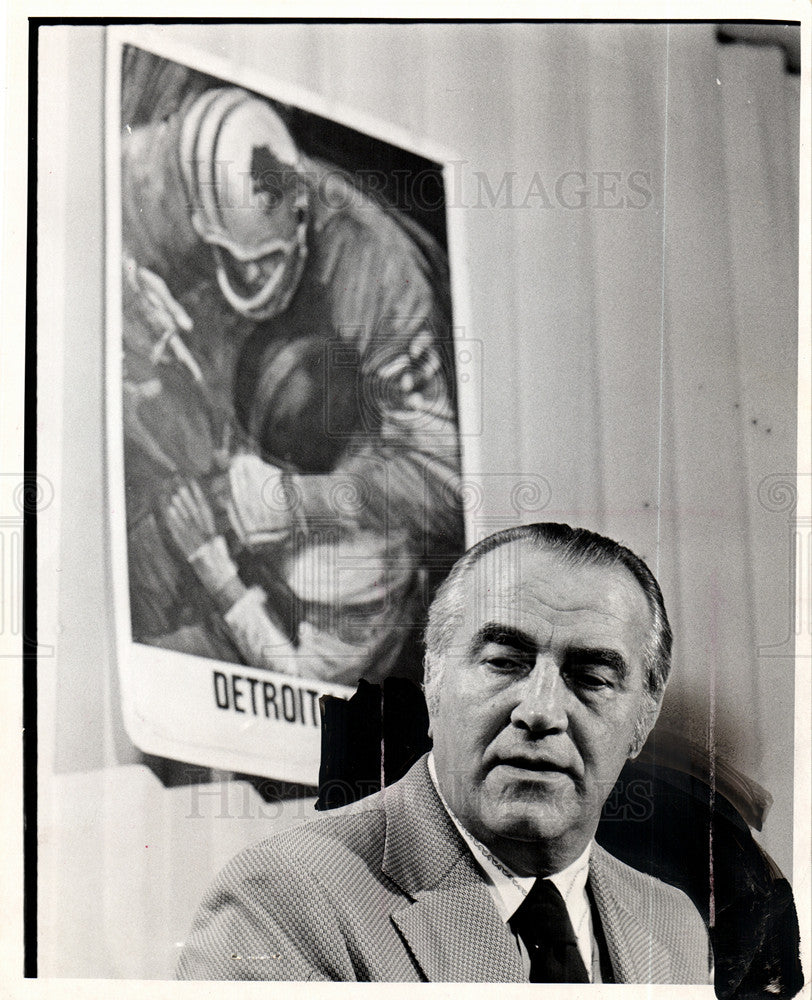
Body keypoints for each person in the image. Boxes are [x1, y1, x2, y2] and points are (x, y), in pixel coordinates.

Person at [176, 523, 712, 983]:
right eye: (504, 661)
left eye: (591, 677)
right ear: (433, 678)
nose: (541, 711)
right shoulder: (285, 901)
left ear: (644, 717)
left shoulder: (673, 925)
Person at [120, 82, 463, 682]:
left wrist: (299, 503)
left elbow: (444, 479)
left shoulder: (377, 273)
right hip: (238, 473)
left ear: (301, 214)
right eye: (233, 258)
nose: (251, 276)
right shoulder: (171, 175)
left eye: (267, 259)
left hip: (323, 560)